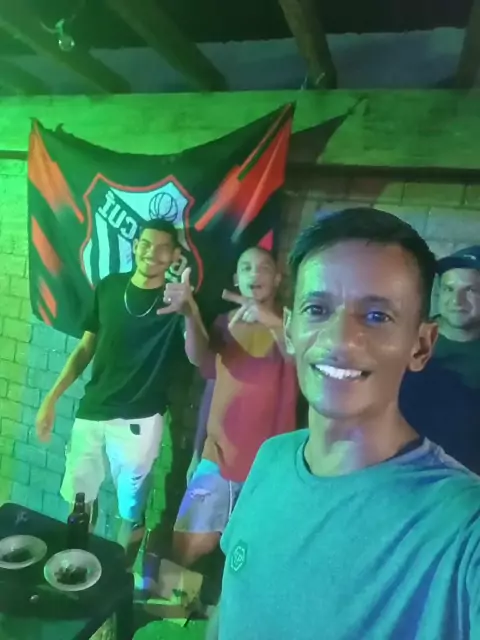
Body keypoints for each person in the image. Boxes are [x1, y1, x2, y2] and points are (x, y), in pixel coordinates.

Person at [209, 208, 480, 640]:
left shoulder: (462, 525)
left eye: (376, 317)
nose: (339, 340)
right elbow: (231, 608)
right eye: (317, 309)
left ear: (421, 345)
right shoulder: (272, 459)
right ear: (291, 329)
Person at [138, 248, 298, 605]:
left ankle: (228, 621)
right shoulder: (226, 323)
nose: (255, 274)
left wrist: (271, 321)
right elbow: (203, 363)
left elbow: (301, 362)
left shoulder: (293, 325)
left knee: (252, 555)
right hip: (217, 456)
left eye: (264, 268)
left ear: (277, 279)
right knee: (187, 544)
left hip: (268, 470)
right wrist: (190, 313)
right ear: (236, 279)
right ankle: (169, 618)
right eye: (246, 267)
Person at [35, 220, 199, 560]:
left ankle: (119, 580)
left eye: (163, 248)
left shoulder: (177, 302)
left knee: (131, 513)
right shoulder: (109, 287)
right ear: (135, 246)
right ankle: (76, 568)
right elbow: (85, 349)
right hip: (92, 411)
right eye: (146, 244)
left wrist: (190, 311)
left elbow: (200, 357)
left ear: (174, 256)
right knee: (79, 503)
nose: (152, 253)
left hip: (141, 420)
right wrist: (51, 398)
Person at [400, 246, 480, 473]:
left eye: (470, 290)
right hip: (403, 475)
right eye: (449, 289)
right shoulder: (407, 340)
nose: (457, 300)